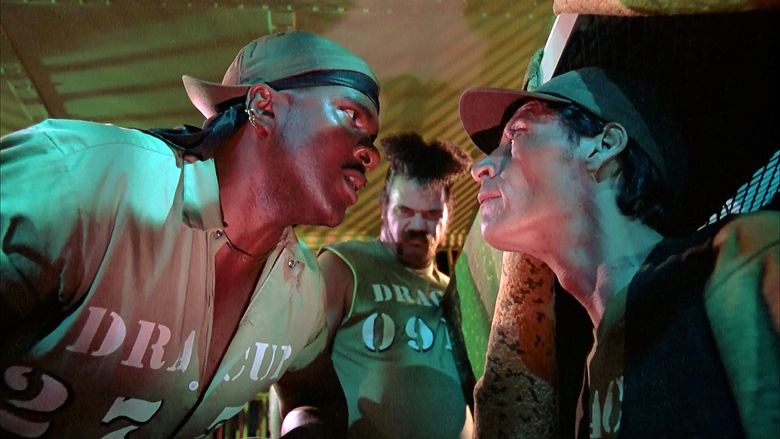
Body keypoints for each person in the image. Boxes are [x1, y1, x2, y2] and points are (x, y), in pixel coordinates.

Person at [0, 31, 382, 438]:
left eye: (372, 140)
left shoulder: (304, 290)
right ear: (263, 107)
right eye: (351, 116)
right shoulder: (86, 180)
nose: (371, 155)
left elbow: (314, 399)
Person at [461, 67, 779, 438]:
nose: (480, 167)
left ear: (603, 146)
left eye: (517, 135)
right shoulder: (594, 377)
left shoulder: (737, 258)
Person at [275, 132, 474, 438]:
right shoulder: (344, 265)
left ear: (449, 214)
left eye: (432, 214)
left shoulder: (454, 292)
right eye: (405, 211)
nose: (418, 226)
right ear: (384, 206)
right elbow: (295, 372)